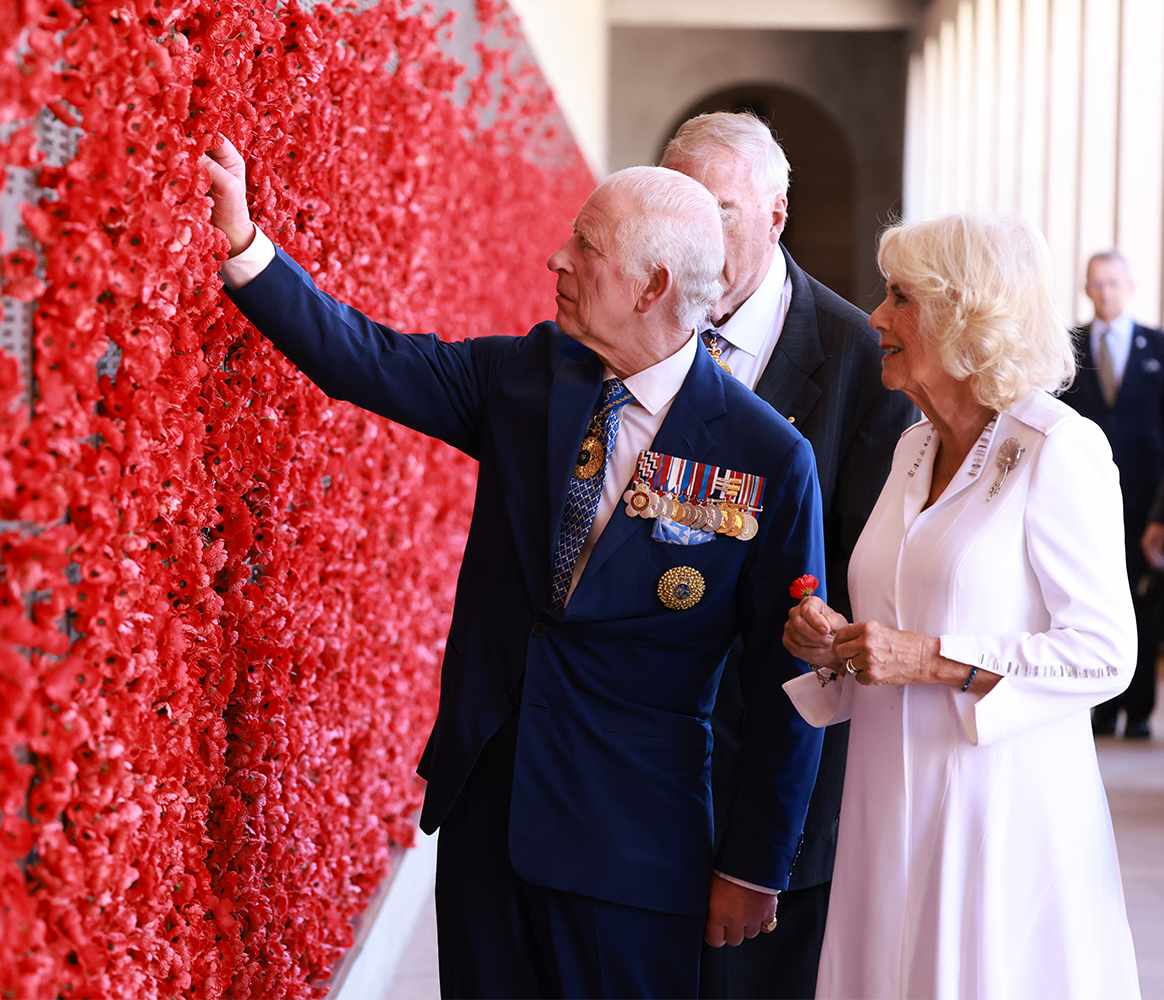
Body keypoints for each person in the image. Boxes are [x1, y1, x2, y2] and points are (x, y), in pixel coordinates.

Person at [201, 135, 825, 998]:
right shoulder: (532, 377)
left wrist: (756, 864)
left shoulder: (768, 457)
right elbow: (370, 362)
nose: (555, 258)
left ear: (651, 289)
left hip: (633, 859)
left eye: (587, 249)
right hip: (489, 823)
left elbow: (789, 677)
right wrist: (243, 245)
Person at [782, 215, 1141, 999]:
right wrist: (838, 645)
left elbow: (1105, 652)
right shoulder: (912, 446)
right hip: (883, 808)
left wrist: (933, 658)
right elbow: (898, 618)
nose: (875, 317)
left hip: (996, 818)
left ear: (968, 314)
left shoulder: (1060, 448)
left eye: (900, 297)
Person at [660, 112, 918, 999]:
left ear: (774, 219)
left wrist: (771, 847)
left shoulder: (858, 359)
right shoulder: (639, 324)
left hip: (767, 787)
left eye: (719, 210)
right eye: (676, 202)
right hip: (634, 776)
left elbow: (854, 605)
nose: (690, 230)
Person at [1060, 250, 1163, 740]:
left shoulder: (1157, 347)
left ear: (1130, 286)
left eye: (1114, 283)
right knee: (1091, 599)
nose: (1106, 293)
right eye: (1097, 284)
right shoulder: (1068, 347)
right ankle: (1100, 706)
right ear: (1086, 288)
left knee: (1145, 605)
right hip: (1084, 500)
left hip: (1145, 504)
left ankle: (1140, 709)